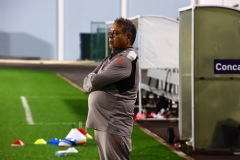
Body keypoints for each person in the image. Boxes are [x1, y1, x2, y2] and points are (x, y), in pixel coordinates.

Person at [83, 17, 139, 160]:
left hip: (113, 126)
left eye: (116, 33)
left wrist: (91, 81)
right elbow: (88, 81)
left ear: (128, 37)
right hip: (105, 124)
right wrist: (91, 81)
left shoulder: (124, 60)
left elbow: (93, 80)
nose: (111, 36)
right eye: (110, 32)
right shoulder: (112, 57)